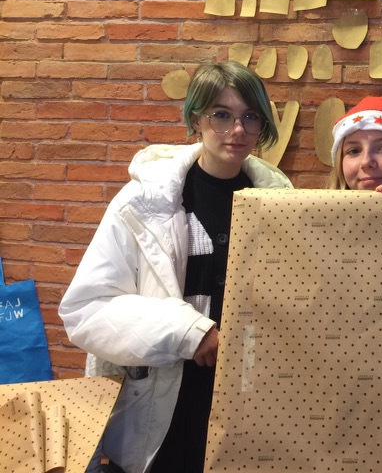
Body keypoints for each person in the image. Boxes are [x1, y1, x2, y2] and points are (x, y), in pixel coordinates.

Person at [58, 61, 293, 473]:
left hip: (247, 401)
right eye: (222, 115)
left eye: (250, 117)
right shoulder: (142, 203)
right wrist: (189, 332)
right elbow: (87, 309)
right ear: (196, 119)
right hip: (163, 406)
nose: (238, 130)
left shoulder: (281, 205)